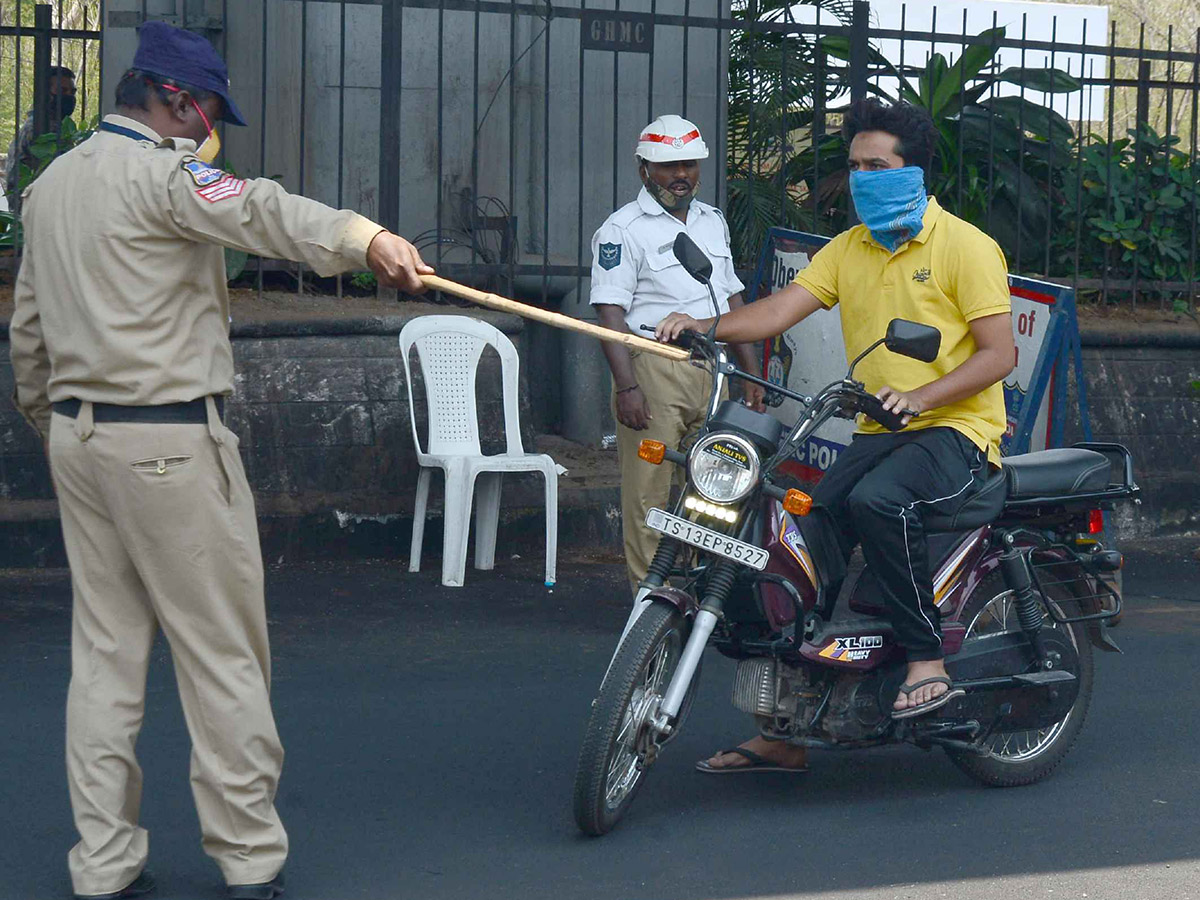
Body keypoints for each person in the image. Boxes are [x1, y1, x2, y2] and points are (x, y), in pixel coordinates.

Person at [9, 22, 433, 900]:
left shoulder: (49, 187)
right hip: (168, 444)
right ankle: (247, 863)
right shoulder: (166, 174)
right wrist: (368, 239)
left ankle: (102, 866)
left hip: (79, 442)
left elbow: (28, 336)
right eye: (205, 112)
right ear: (174, 98)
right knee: (224, 658)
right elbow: (263, 208)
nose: (210, 129)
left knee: (105, 657)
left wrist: (60, 426)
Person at [656, 98, 1015, 772]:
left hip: (955, 430)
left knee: (878, 502)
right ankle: (786, 729)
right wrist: (705, 327)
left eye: (876, 165)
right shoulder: (849, 250)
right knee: (805, 530)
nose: (862, 178)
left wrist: (921, 394)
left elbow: (999, 355)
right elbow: (777, 310)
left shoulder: (966, 246)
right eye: (854, 167)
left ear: (913, 173)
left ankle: (925, 659)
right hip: (881, 430)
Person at [590, 114, 765, 592]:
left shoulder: (713, 222)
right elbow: (610, 315)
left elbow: (731, 301)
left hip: (713, 370)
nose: (680, 174)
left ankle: (697, 592)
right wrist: (627, 387)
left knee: (712, 487)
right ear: (644, 169)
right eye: (668, 166)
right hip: (655, 369)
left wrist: (751, 375)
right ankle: (650, 600)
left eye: (688, 164)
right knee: (650, 494)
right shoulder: (621, 229)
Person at [4, 65, 77, 212]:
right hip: (33, 211)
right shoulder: (41, 128)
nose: (69, 96)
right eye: (62, 91)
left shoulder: (49, 123)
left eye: (72, 92)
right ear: (46, 93)